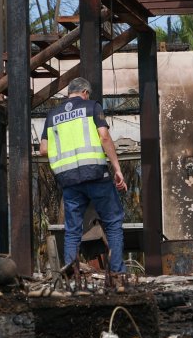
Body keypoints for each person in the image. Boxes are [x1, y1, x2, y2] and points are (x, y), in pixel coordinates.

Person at [40, 77, 128, 273]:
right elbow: (104, 137)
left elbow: (43, 149)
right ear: (86, 93)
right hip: (96, 175)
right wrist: (117, 168)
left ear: (70, 92)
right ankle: (117, 272)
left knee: (72, 229)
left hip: (69, 180)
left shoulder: (53, 115)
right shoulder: (91, 107)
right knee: (113, 221)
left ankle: (72, 273)